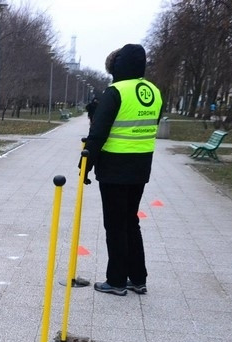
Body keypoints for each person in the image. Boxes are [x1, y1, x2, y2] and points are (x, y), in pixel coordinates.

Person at [82, 44, 163, 296]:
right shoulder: (154, 91)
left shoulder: (115, 91)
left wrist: (86, 165)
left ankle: (116, 280)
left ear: (117, 66)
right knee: (131, 221)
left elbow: (98, 132)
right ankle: (138, 278)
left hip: (115, 167)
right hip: (141, 166)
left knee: (115, 225)